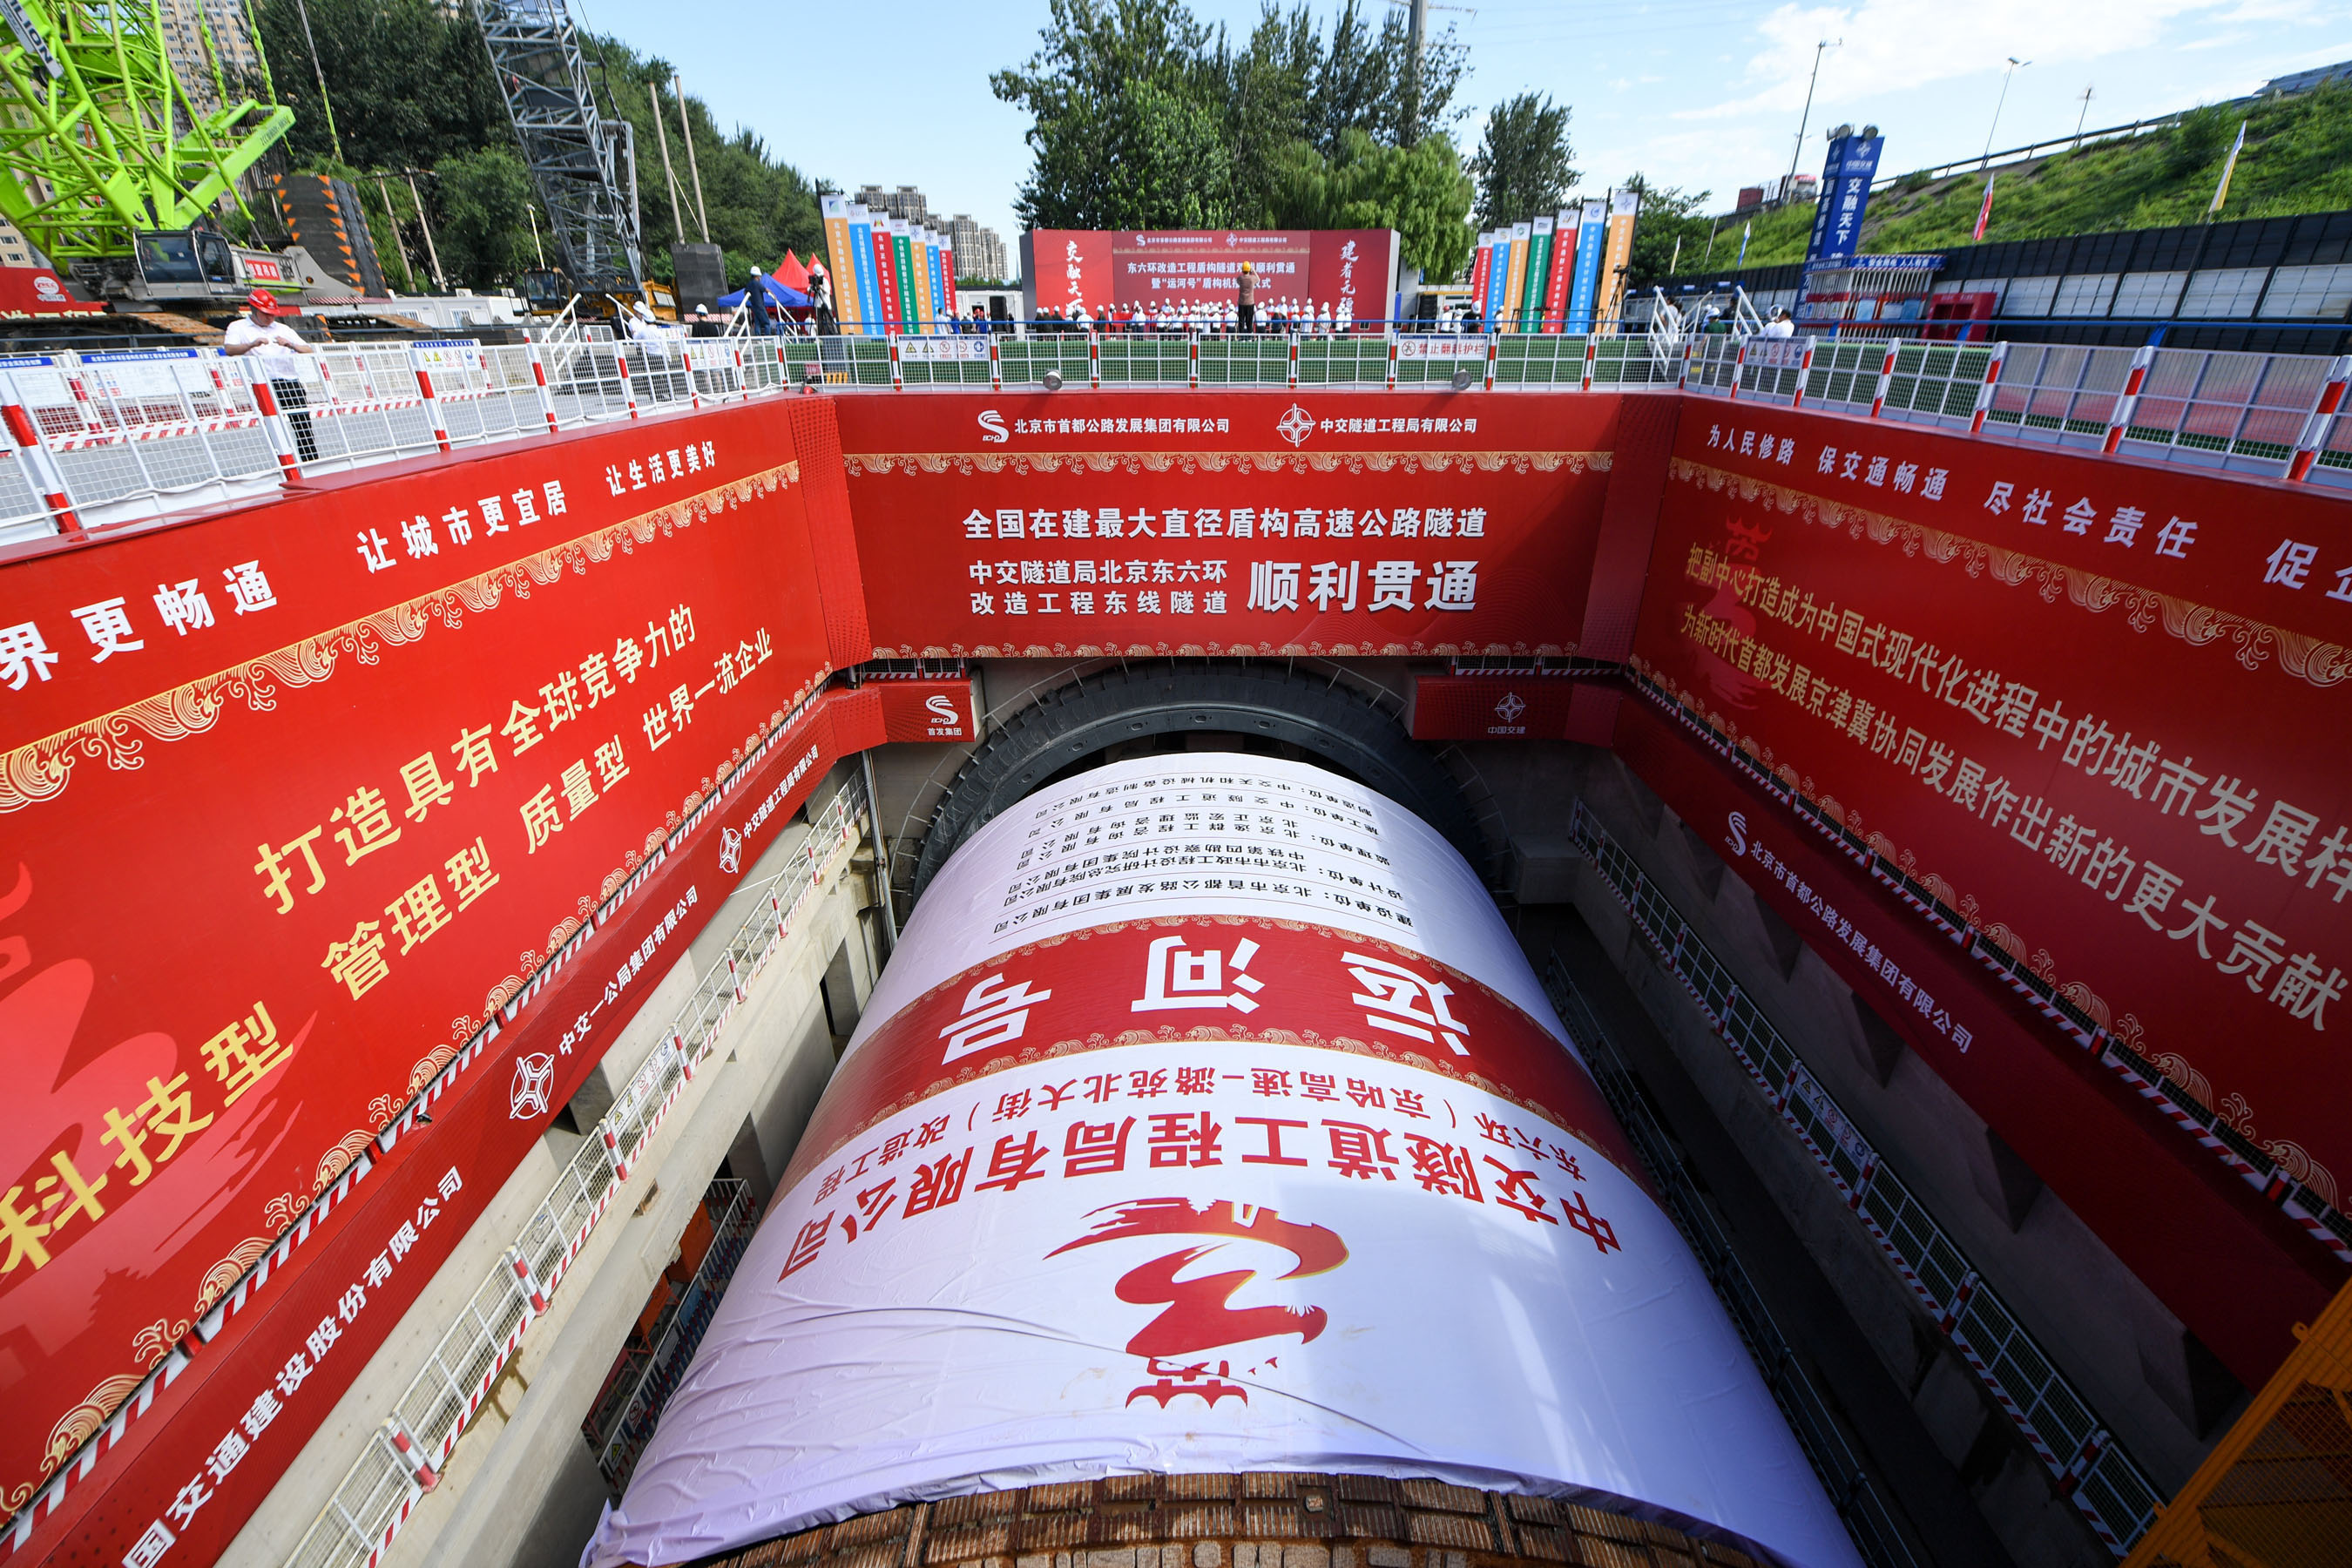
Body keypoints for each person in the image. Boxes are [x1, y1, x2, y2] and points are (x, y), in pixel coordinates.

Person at [220, 288, 320, 463]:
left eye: (272, 314)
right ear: (254, 310)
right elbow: (229, 349)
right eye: (266, 314)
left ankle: (311, 461)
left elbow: (308, 349)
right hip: (263, 383)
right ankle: (283, 463)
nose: (270, 318)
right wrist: (251, 345)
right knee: (273, 425)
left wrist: (290, 345)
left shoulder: (283, 329)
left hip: (289, 380)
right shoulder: (238, 327)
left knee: (303, 424)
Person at [741, 267, 775, 335]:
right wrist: (773, 295)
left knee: (757, 323)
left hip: (754, 305)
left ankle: (758, 337)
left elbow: (745, 292)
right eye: (760, 276)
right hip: (760, 305)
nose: (760, 278)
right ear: (757, 276)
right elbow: (766, 289)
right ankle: (768, 337)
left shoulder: (749, 284)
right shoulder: (757, 283)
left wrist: (750, 298)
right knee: (767, 323)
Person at [1236, 260, 1256, 334]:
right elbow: (1258, 279)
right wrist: (1253, 271)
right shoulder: (1252, 278)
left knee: (1241, 321)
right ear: (1249, 269)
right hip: (1250, 303)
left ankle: (1241, 336)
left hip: (1242, 302)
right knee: (1249, 321)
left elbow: (1237, 281)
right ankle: (1249, 336)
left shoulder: (1240, 278)